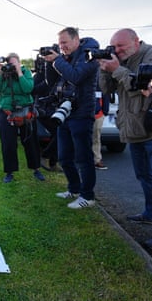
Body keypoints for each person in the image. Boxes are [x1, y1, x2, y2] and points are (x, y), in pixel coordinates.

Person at [99, 28, 152, 224]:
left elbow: (141, 86)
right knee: (144, 177)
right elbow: (106, 89)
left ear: (136, 41)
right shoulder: (122, 61)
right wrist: (104, 69)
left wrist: (116, 69)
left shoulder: (149, 55)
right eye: (114, 46)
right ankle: (149, 214)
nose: (117, 50)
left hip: (149, 128)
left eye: (121, 46)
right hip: (134, 129)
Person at [43, 27, 99, 209]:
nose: (62, 47)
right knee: (64, 157)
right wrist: (48, 63)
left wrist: (58, 60)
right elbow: (51, 83)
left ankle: (87, 196)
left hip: (82, 113)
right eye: (60, 43)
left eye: (65, 42)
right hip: (65, 112)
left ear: (77, 40)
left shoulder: (90, 54)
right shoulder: (65, 58)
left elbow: (75, 76)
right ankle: (74, 189)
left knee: (83, 157)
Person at [0, 52, 45, 183]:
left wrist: (19, 72)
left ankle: (36, 169)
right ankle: (9, 172)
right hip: (7, 112)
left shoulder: (25, 72)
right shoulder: (3, 74)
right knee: (8, 143)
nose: (12, 67)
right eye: (10, 64)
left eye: (14, 63)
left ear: (19, 63)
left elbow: (28, 88)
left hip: (25, 111)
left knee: (31, 142)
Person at [32, 54, 61, 172]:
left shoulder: (58, 72)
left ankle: (52, 162)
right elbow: (32, 90)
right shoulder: (39, 75)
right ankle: (46, 156)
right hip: (43, 109)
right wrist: (47, 83)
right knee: (60, 133)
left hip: (54, 109)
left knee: (60, 134)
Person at [93, 89, 109, 170]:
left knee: (96, 139)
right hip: (83, 115)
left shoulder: (99, 81)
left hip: (98, 115)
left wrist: (104, 111)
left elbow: (105, 95)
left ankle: (97, 160)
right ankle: (83, 161)